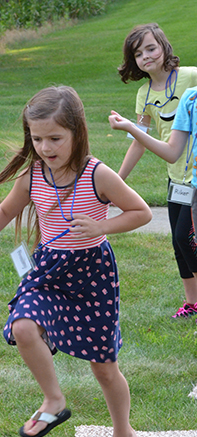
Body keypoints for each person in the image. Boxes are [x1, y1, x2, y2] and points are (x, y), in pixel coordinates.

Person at [0, 86, 151, 437]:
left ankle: (124, 435)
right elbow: (6, 210)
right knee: (24, 327)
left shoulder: (99, 175)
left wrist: (101, 227)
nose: (45, 147)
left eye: (55, 138)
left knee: (104, 369)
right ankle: (54, 400)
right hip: (47, 270)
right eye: (37, 138)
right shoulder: (34, 177)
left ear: (77, 132)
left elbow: (140, 212)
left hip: (91, 275)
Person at [117, 23, 197, 319]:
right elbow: (138, 142)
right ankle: (192, 303)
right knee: (178, 243)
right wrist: (118, 180)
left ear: (164, 47)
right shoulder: (144, 94)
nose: (146, 56)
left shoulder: (190, 76)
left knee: (187, 238)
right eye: (139, 54)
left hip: (195, 176)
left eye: (151, 48)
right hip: (175, 176)